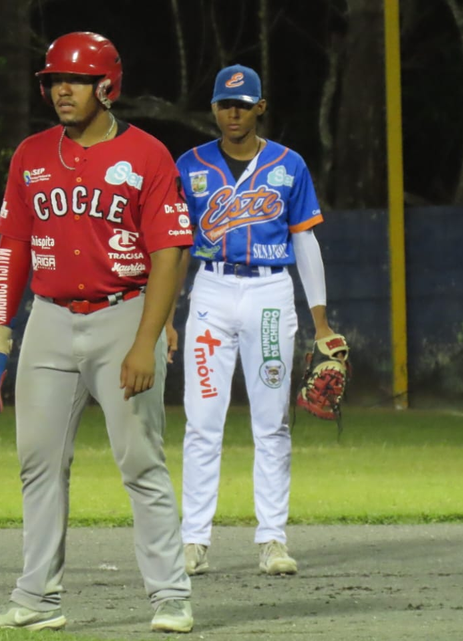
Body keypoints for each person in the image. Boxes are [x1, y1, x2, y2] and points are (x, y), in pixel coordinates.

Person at [0, 32, 194, 633]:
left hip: (125, 315)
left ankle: (171, 596)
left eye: (74, 80)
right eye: (53, 80)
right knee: (37, 463)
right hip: (48, 319)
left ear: (106, 86)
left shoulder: (147, 155)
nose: (60, 90)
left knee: (141, 463)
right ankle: (36, 599)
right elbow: (13, 247)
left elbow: (169, 255)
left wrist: (146, 341)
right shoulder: (31, 154)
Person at [168, 64, 338, 577]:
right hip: (211, 290)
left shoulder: (289, 164)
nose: (234, 113)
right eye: (225, 104)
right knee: (202, 422)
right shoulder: (190, 165)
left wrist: (322, 323)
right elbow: (176, 247)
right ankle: (193, 540)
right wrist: (167, 317)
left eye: (243, 105)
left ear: (260, 107)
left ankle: (272, 539)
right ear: (214, 109)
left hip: (269, 292)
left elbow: (305, 240)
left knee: (272, 423)